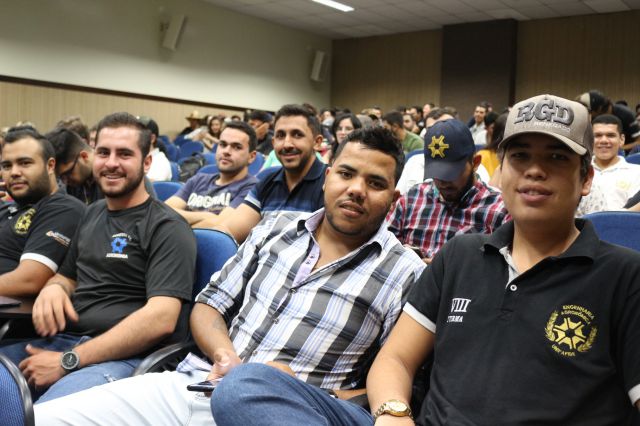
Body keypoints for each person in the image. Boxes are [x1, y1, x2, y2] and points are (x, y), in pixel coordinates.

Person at [34, 127, 426, 425]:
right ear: (327, 177)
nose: (356, 189)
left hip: (279, 412)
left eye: (375, 183)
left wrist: (295, 391)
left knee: (245, 389)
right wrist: (225, 355)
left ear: (394, 199)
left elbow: (399, 378)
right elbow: (208, 306)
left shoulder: (405, 271)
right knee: (42, 419)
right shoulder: (274, 228)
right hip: (194, 383)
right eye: (346, 173)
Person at [367, 94, 640, 425]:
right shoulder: (459, 256)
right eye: (520, 156)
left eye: (556, 157)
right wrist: (394, 413)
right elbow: (395, 358)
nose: (535, 170)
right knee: (302, 396)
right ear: (501, 171)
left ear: (585, 179)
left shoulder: (625, 276)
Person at [0, 112, 196, 403]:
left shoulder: (167, 226)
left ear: (146, 163)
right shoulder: (92, 212)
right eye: (103, 152)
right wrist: (55, 288)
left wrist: (69, 360)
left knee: (47, 416)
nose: (111, 163)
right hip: (64, 341)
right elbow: (66, 276)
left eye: (124, 154)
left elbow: (161, 319)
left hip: (123, 357)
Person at [196, 104, 327, 243]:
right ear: (273, 142)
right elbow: (228, 231)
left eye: (297, 135)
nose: (287, 144)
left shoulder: (330, 182)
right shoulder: (266, 180)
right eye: (280, 136)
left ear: (317, 142)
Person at [388, 118, 509, 264]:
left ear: (475, 163)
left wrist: (446, 269)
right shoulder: (411, 200)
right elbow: (385, 250)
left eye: (452, 173)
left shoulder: (499, 209)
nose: (443, 181)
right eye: (436, 172)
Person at [0, 127, 85, 297]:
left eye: (25, 163)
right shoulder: (7, 207)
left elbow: (29, 280)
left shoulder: (63, 208)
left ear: (50, 166)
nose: (14, 172)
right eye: (7, 166)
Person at [165, 121, 258, 226]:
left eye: (237, 147)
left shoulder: (252, 188)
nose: (226, 151)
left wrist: (178, 221)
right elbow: (163, 212)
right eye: (222, 144)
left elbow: (220, 225)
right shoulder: (198, 179)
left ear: (251, 157)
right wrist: (206, 216)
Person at [48, 127, 157, 204]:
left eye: (67, 173)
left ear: (84, 156)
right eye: (61, 177)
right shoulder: (76, 182)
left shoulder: (123, 178)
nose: (65, 181)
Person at [590, 114, 640, 209]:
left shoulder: (637, 173)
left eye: (610, 135)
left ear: (622, 139)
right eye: (598, 135)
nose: (604, 140)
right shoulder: (578, 171)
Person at [137, 116, 172, 182]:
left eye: (138, 134)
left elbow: (150, 185)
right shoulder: (137, 158)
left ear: (152, 138)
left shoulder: (161, 162)